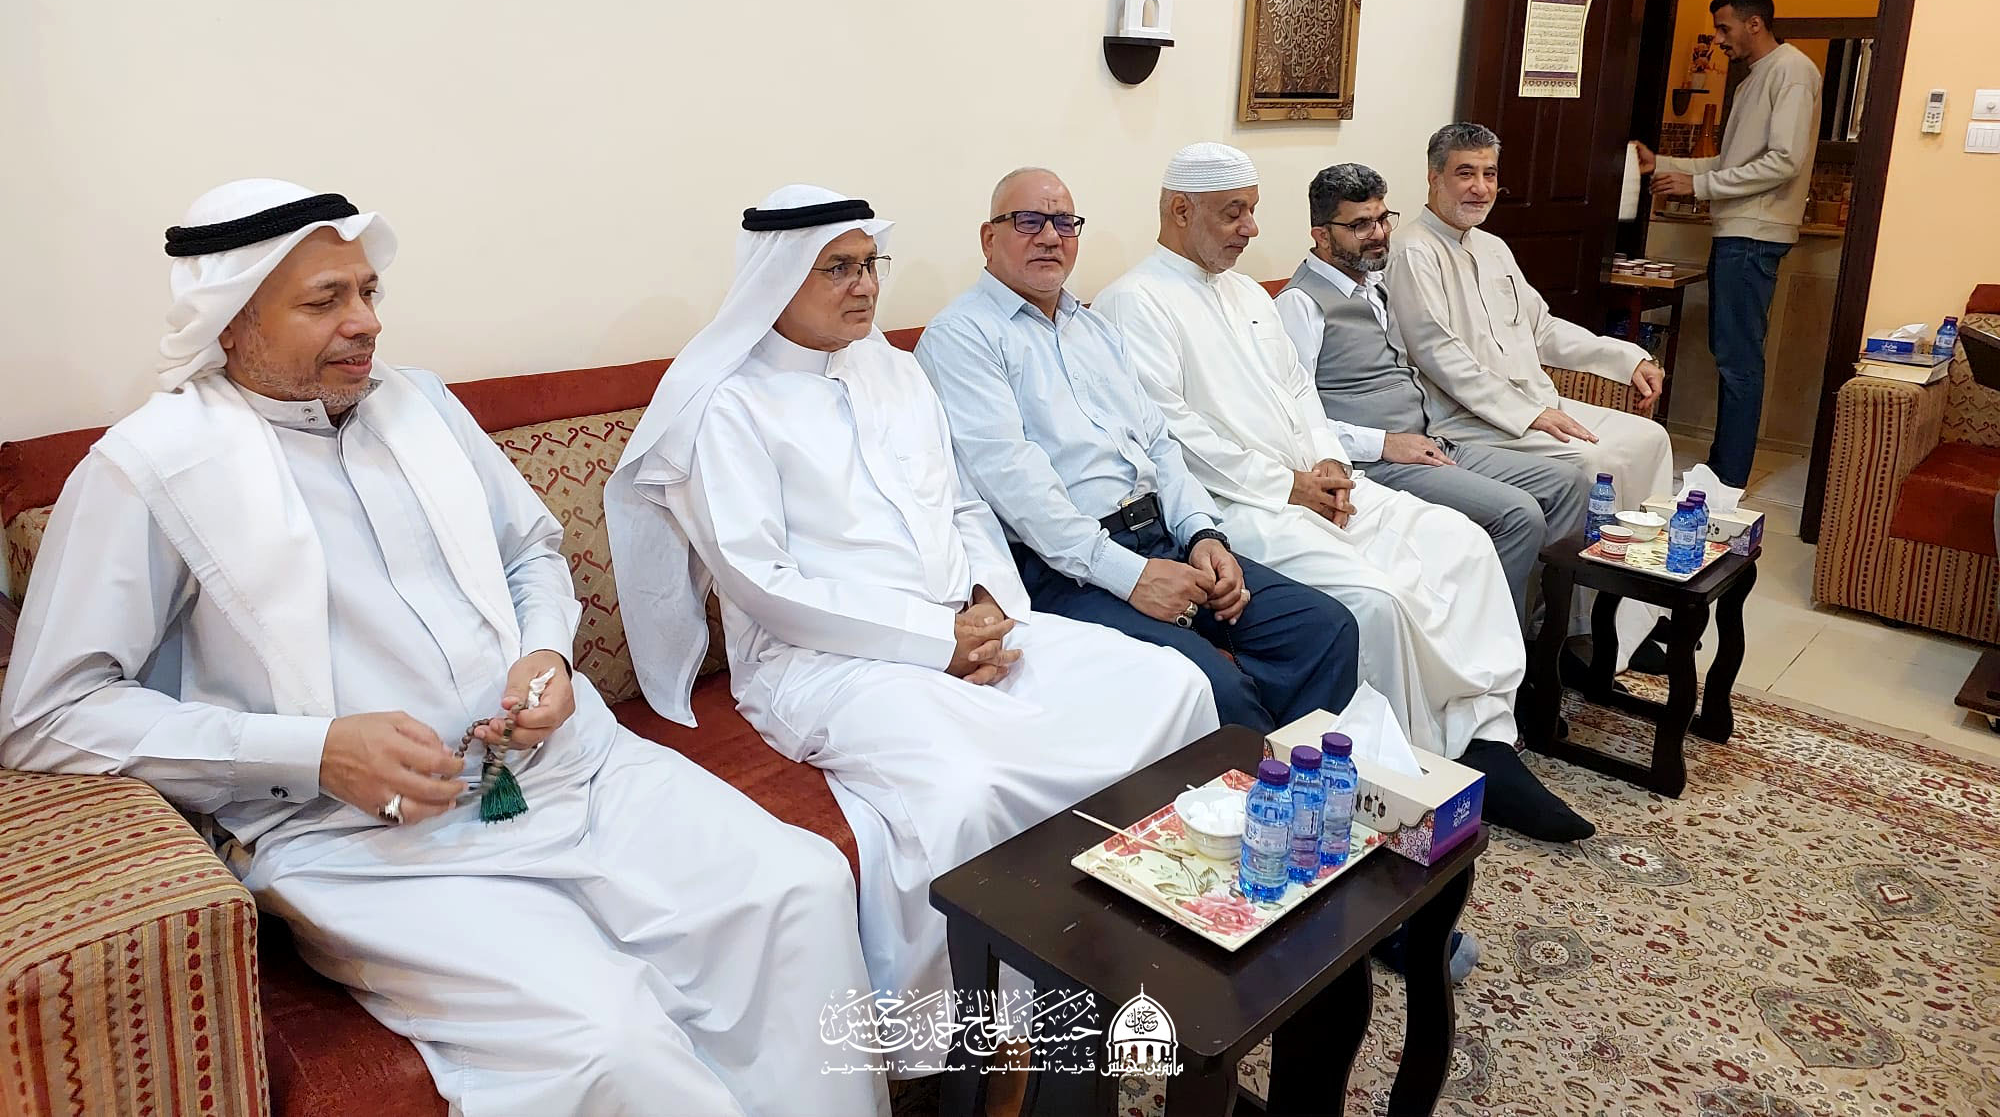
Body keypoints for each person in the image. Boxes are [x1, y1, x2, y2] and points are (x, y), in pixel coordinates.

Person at [0, 180, 885, 1117]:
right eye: (324, 300)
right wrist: (314, 751)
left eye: (367, 291)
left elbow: (531, 550)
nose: (365, 322)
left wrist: (546, 655)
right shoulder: (150, 468)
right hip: (364, 843)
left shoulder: (419, 403)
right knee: (609, 1040)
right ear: (231, 321)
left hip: (570, 768)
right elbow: (49, 714)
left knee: (799, 889)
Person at [604, 185, 1217, 1075]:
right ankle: (993, 1041)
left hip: (970, 625)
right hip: (829, 662)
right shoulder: (726, 406)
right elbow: (763, 585)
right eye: (838, 269)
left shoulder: (892, 369)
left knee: (1170, 686)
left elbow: (963, 502)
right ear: (777, 279)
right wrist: (937, 644)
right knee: (966, 787)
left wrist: (990, 604)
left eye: (869, 266)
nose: (864, 287)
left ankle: (1133, 953)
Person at [1094, 144, 1593, 844]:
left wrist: (1328, 461)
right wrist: (1289, 485)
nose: (1251, 229)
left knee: (1463, 545)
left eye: (1252, 211)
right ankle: (1404, 775)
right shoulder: (1133, 303)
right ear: (1180, 210)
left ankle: (1485, 740)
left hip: (1320, 482)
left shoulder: (1246, 293)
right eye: (1234, 213)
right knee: (1375, 599)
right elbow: (1172, 432)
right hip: (1243, 506)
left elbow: (1300, 390)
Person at [915, 166, 1362, 734]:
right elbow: (1020, 490)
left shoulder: (1094, 329)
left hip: (1162, 538)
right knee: (1213, 689)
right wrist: (1132, 577)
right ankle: (1249, 783)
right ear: (989, 237)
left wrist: (1203, 536)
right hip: (1064, 570)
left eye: (1064, 223)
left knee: (1324, 628)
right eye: (1028, 221)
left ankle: (1297, 778)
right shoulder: (962, 337)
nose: (1050, 237)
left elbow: (1159, 445)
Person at [1388, 124, 1676, 666]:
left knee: (1649, 440)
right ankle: (1567, 631)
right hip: (1470, 420)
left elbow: (1543, 329)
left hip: (1539, 403)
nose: (1480, 187)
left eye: (1489, 174)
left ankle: (1631, 617)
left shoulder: (1493, 248)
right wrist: (1529, 415)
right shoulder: (1411, 251)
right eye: (1465, 173)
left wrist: (1627, 358)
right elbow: (1438, 354)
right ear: (1433, 178)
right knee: (1593, 463)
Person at [1274, 162, 1590, 625]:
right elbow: (1293, 421)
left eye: (1383, 218)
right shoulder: (1300, 305)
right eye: (1360, 225)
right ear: (1321, 235)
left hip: (1432, 441)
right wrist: (1384, 443)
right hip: (1374, 463)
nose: (1379, 234)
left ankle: (1551, 632)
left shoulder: (1375, 283)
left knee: (1570, 483)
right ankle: (1497, 647)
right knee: (1519, 515)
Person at [1633, 0, 1821, 488]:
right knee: (1731, 353)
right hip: (1738, 232)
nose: (1718, 39)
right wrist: (1663, 164)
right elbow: (1731, 161)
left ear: (1754, 23)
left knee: (1739, 359)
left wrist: (1700, 186)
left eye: (1724, 27)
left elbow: (1784, 161)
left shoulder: (1793, 72)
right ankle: (1723, 469)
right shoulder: (1752, 79)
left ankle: (1728, 478)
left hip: (1754, 235)